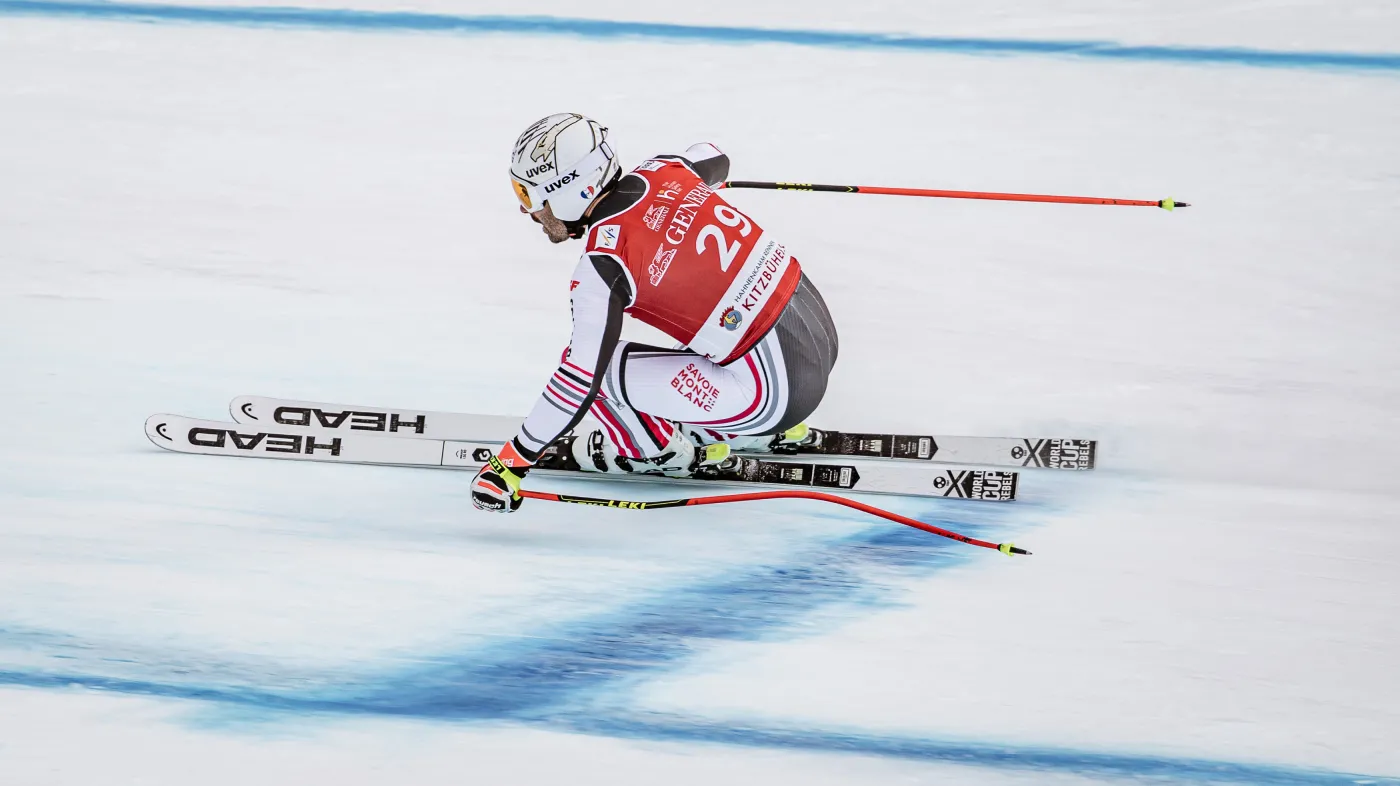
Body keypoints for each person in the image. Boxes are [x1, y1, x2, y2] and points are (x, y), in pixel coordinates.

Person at [471, 113, 839, 513]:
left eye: (529, 196)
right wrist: (693, 192)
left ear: (565, 191)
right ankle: (730, 425)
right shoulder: (666, 169)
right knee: (702, 316)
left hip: (772, 399)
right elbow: (714, 155)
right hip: (820, 338)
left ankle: (653, 452)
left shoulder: (604, 264)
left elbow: (579, 379)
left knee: (597, 366)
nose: (528, 212)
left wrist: (510, 463)